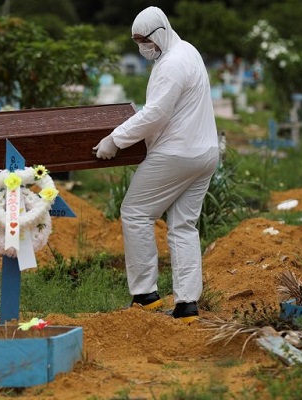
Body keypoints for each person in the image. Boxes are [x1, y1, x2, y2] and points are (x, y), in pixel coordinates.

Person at [92, 7, 219, 323]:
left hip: (178, 154)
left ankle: (145, 295)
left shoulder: (171, 64)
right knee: (183, 226)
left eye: (143, 40)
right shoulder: (187, 50)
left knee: (135, 212)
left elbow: (156, 115)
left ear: (158, 33)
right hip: (205, 153)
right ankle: (187, 305)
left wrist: (115, 139)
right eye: (136, 41)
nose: (141, 47)